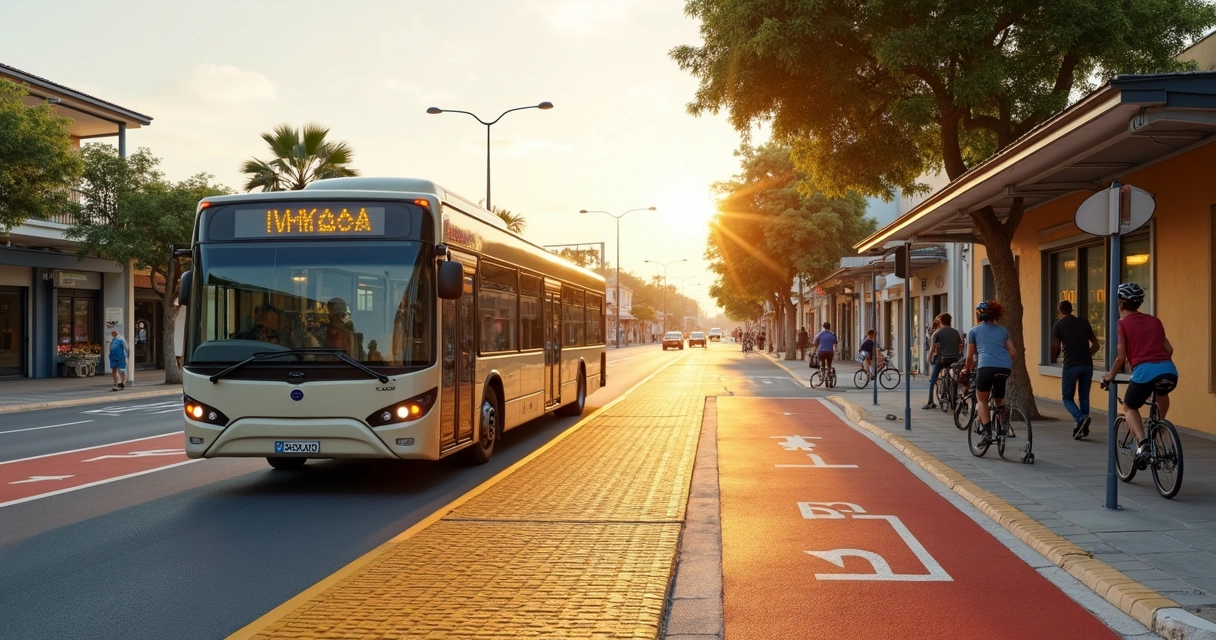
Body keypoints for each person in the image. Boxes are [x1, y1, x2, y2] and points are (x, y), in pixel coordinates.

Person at [1100, 283, 1177, 470]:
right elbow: (1169, 349)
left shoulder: (1122, 324)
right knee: (1161, 393)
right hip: (1169, 371)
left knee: (1129, 406)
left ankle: (1143, 444)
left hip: (1144, 372)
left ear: (1120, 304)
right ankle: (1158, 427)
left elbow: (1121, 357)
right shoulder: (1155, 321)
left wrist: (1109, 376)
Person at [961, 301, 1017, 443]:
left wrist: (967, 369)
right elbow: (1013, 352)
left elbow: (969, 356)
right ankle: (1003, 425)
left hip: (986, 367)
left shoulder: (974, 331)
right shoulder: (1003, 331)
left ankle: (987, 432)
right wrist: (1002, 361)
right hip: (1004, 368)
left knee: (982, 399)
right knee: (999, 398)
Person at [1051, 299, 1101, 439]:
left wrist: (1053, 356)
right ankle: (1082, 429)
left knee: (1067, 398)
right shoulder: (1084, 323)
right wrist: (1086, 354)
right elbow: (1096, 345)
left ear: (1059, 312)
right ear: (1071, 310)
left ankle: (1081, 419)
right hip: (1087, 365)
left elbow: (1056, 348)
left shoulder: (1058, 325)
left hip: (1071, 364)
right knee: (1084, 397)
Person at [923, 313, 963, 409]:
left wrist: (929, 360)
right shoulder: (955, 332)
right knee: (954, 377)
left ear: (940, 321)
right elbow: (960, 346)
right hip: (954, 359)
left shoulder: (937, 333)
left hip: (942, 359)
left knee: (933, 379)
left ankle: (930, 401)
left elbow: (932, 349)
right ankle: (955, 397)